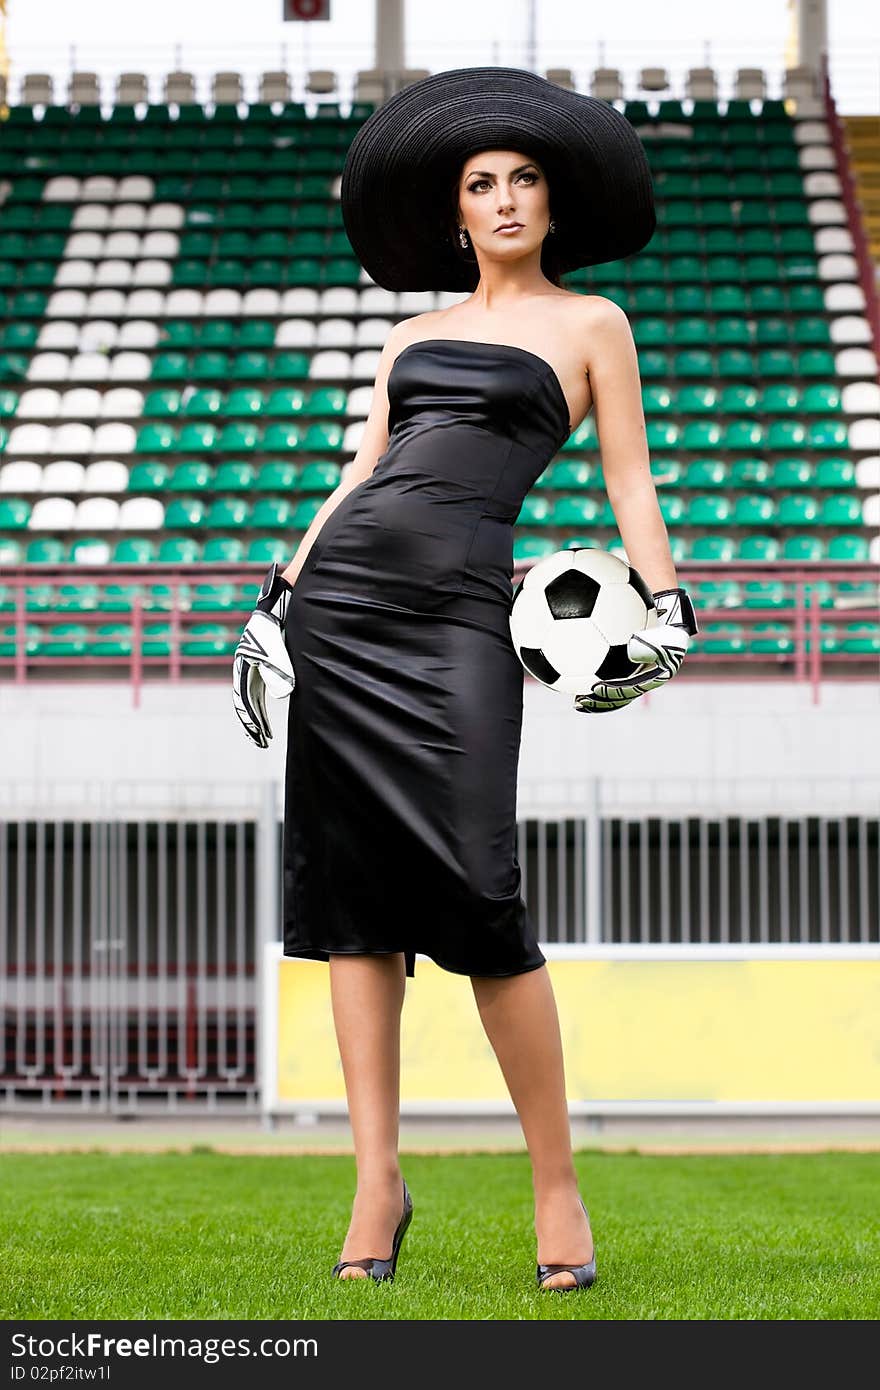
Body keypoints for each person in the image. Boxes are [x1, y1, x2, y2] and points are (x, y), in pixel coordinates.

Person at [232, 67, 698, 1291]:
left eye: (522, 181)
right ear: (455, 215)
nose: (502, 200)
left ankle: (556, 1183)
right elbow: (357, 479)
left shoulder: (593, 326)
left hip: (459, 624)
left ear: (553, 204)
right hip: (343, 613)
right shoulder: (409, 336)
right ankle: (375, 1183)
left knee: (484, 896)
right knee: (350, 913)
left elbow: (630, 484)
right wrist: (276, 599)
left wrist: (670, 604)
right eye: (480, 185)